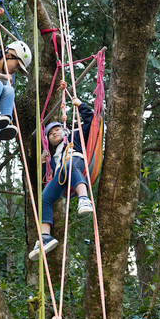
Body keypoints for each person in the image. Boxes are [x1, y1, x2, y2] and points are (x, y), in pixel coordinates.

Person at [29, 96, 95, 261]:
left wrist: (80, 106)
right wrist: (44, 162)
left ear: (64, 130)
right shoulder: (53, 156)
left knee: (68, 165)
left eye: (56, 130)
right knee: (44, 197)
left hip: (76, 163)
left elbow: (91, 120)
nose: (54, 134)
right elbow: (48, 176)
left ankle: (84, 198)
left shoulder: (75, 136)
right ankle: (45, 237)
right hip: (61, 175)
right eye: (50, 134)